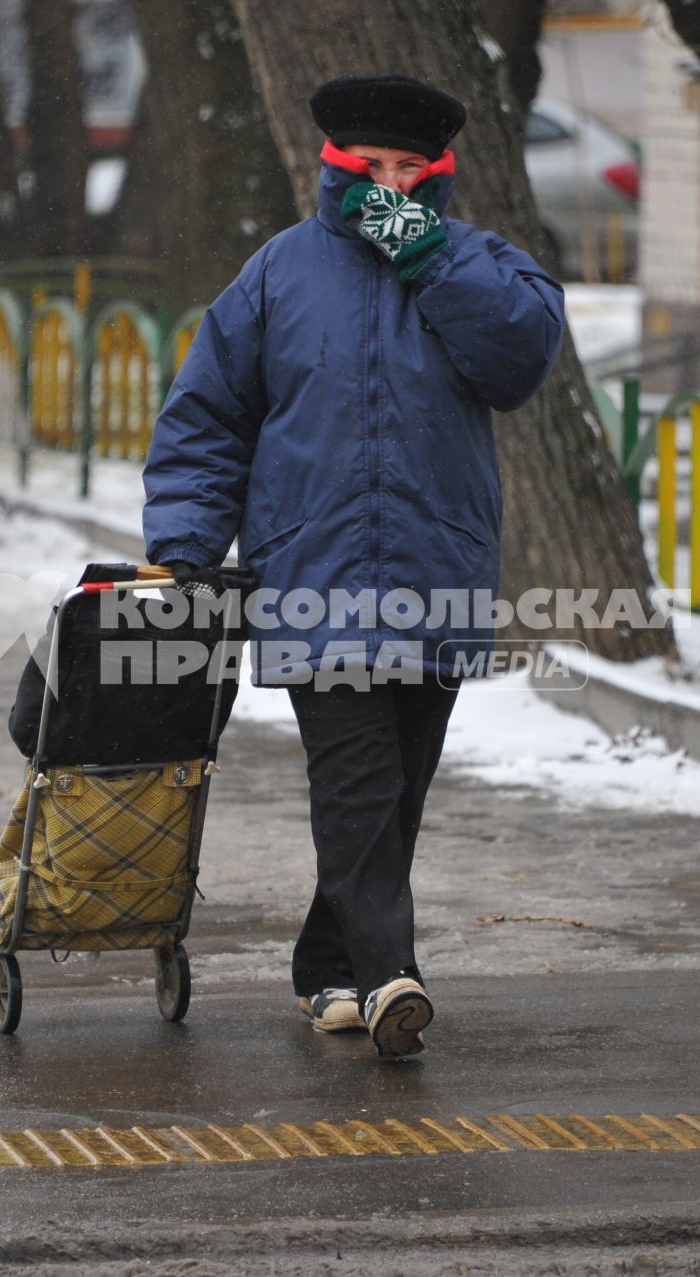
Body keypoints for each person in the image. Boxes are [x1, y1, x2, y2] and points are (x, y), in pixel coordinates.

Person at [141, 73, 565, 1059]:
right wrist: (185, 546)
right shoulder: (278, 275)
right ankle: (386, 976)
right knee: (358, 779)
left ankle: (326, 961)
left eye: (406, 171)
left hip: (438, 569)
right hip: (311, 571)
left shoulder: (476, 263)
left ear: (437, 174)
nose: (386, 187)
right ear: (334, 165)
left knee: (399, 783)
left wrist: (426, 258)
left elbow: (520, 355)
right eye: (368, 169)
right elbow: (206, 421)